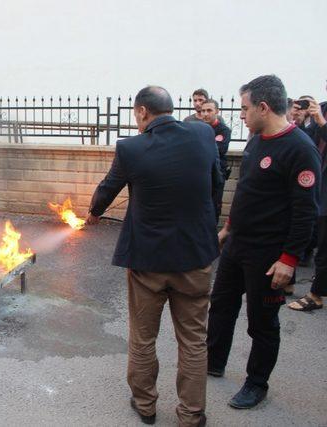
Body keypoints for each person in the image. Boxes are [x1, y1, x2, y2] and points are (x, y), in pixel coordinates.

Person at [87, 86, 223, 427]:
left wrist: (93, 214)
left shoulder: (131, 149)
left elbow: (108, 187)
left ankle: (145, 405)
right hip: (195, 256)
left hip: (148, 261)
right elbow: (215, 183)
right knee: (193, 339)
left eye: (136, 115)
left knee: (143, 337)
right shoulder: (204, 135)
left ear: (143, 112)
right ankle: (191, 416)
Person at [207, 75, 320, 410]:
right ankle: (213, 361)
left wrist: (289, 259)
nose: (240, 115)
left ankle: (256, 383)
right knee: (222, 306)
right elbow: (246, 191)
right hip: (237, 245)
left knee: (262, 323)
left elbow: (305, 212)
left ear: (264, 107)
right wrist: (227, 228)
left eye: (244, 108)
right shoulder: (256, 140)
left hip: (269, 255)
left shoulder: (301, 149)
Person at [288, 89, 327, 311]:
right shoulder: (322, 108)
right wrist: (302, 121)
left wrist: (321, 121)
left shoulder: (322, 115)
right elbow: (309, 141)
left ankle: (316, 295)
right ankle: (314, 291)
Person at [200, 99, 232, 221]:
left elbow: (219, 150)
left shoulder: (223, 130)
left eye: (209, 110)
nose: (205, 114)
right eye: (203, 111)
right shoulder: (198, 129)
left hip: (217, 174)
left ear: (217, 111)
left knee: (214, 204)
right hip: (202, 173)